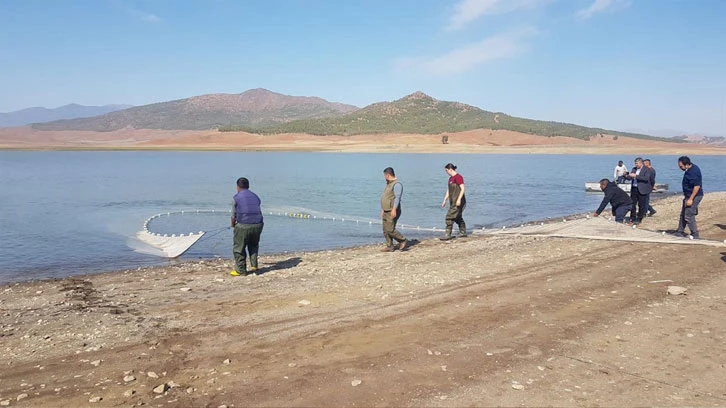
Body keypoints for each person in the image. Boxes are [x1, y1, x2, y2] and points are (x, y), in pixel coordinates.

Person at [230, 177, 264, 276]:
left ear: (238, 187)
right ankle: (254, 265)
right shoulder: (256, 196)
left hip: (243, 225)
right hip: (258, 224)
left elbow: (233, 216)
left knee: (239, 248)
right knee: (253, 244)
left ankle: (241, 270)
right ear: (248, 186)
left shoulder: (236, 197)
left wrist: (233, 225)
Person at [380, 167, 407, 252]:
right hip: (386, 210)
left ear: (388, 175)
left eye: (385, 175)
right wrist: (383, 210)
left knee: (390, 229)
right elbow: (387, 197)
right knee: (385, 229)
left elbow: (397, 198)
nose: (384, 177)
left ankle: (402, 240)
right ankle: (390, 246)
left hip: (392, 210)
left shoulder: (397, 184)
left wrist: (394, 209)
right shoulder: (388, 184)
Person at [676, 156, 703, 239]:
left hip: (694, 196)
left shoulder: (693, 172)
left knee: (689, 215)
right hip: (688, 195)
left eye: (681, 166)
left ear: (687, 165)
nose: (680, 168)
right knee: (683, 213)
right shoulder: (690, 169)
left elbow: (697, 186)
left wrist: (691, 199)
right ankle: (680, 231)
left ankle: (695, 233)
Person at [440, 163, 467, 240]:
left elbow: (463, 189)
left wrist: (459, 199)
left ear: (450, 169)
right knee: (457, 217)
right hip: (452, 201)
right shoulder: (450, 179)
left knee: (449, 217)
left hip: (459, 201)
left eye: (446, 170)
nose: (446, 172)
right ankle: (463, 232)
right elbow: (449, 190)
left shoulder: (458, 177)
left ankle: (447, 235)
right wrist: (445, 200)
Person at [624, 157, 652, 225]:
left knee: (641, 205)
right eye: (635, 163)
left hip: (642, 189)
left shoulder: (646, 169)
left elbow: (646, 178)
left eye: (637, 163)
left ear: (641, 163)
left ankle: (639, 218)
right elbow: (630, 178)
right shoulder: (634, 169)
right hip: (634, 188)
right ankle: (632, 217)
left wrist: (636, 176)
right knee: (632, 204)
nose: (636, 165)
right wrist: (626, 175)